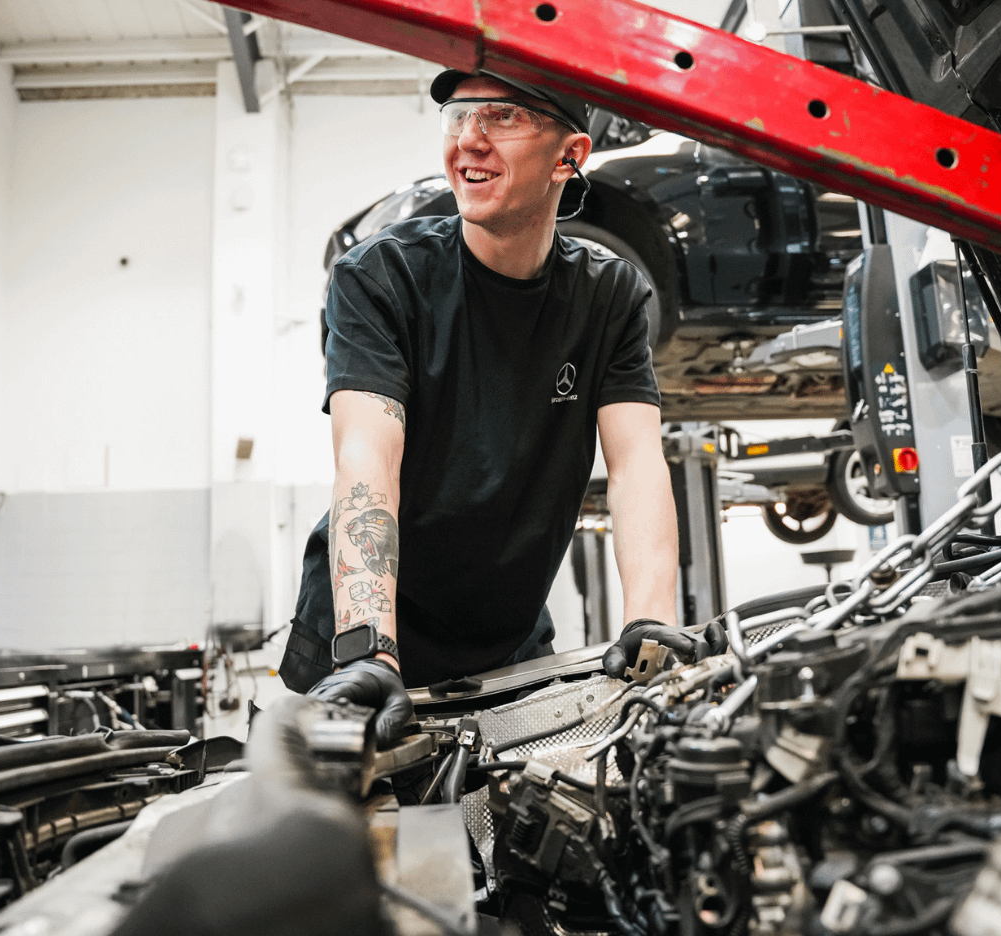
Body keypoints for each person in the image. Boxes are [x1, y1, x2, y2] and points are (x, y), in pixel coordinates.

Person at [280, 69, 718, 746]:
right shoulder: (381, 277)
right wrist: (369, 650)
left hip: (507, 641)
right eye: (458, 116)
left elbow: (636, 465)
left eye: (503, 116)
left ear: (569, 156)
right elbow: (367, 461)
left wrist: (651, 628)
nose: (469, 140)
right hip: (365, 639)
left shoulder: (609, 297)